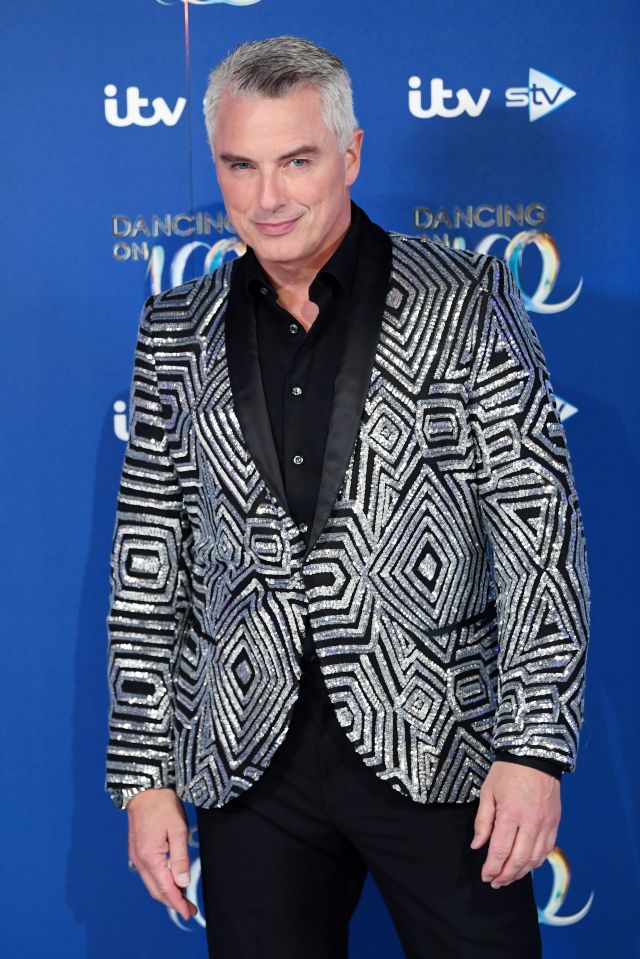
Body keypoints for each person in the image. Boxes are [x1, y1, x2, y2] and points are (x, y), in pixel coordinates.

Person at [105, 35, 590, 959]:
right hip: (249, 760)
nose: (268, 196)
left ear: (351, 153)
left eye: (297, 160)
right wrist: (145, 776)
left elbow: (538, 532)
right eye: (240, 166)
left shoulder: (464, 297)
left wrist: (532, 749)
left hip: (440, 740)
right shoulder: (174, 328)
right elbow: (149, 566)